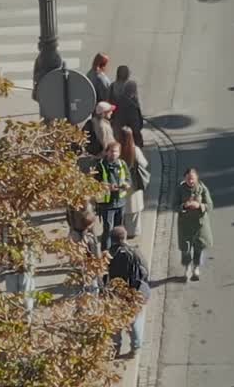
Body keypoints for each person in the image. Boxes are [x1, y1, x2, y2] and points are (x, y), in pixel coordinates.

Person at [105, 226, 151, 358]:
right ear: (124, 237)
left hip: (115, 294)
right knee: (135, 321)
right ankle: (135, 348)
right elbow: (145, 272)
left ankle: (115, 347)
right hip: (135, 293)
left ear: (112, 240)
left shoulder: (108, 254)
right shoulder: (135, 252)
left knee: (115, 323)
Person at [175, 168, 214, 281]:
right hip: (185, 224)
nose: (190, 181)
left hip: (199, 224)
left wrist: (200, 206)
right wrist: (183, 206)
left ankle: (196, 267)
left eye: (192, 179)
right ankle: (187, 267)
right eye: (188, 179)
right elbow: (174, 205)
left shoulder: (202, 189)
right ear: (185, 179)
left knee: (199, 246)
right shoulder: (180, 189)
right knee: (186, 248)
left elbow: (210, 205)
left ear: (196, 178)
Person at [95, 141, 130, 251]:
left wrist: (126, 184)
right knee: (108, 230)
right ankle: (106, 252)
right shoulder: (100, 165)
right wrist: (107, 187)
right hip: (107, 204)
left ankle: (118, 250)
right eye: (112, 151)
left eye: (116, 152)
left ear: (119, 153)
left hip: (120, 202)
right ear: (107, 152)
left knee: (119, 229)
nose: (114, 154)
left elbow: (128, 178)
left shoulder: (122, 164)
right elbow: (94, 183)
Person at [118, 127, 151, 239]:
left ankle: (123, 231)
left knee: (124, 208)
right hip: (134, 183)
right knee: (134, 209)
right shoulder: (135, 150)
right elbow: (144, 163)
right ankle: (134, 231)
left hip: (122, 182)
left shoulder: (118, 149)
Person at [110, 71, 146, 149]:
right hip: (132, 114)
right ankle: (136, 150)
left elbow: (110, 100)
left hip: (118, 115)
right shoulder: (132, 84)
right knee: (135, 134)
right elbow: (136, 101)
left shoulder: (113, 85)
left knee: (120, 135)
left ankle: (124, 151)